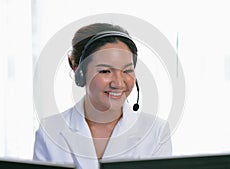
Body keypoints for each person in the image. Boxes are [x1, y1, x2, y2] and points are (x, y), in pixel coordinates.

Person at [33, 23, 172, 169]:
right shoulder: (50, 132)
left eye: (127, 70)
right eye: (105, 71)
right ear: (79, 71)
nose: (118, 83)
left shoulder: (156, 132)